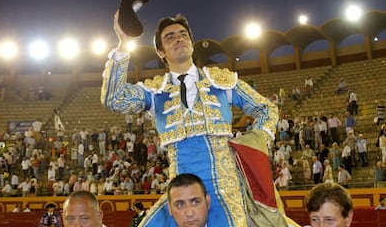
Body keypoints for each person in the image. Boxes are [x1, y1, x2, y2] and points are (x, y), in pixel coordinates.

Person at [101, 11, 297, 226]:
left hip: (225, 187)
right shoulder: (155, 90)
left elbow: (266, 108)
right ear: (160, 51)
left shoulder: (220, 80)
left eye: (183, 34)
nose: (179, 39)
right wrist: (123, 43)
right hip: (180, 190)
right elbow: (115, 99)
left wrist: (252, 144)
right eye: (170, 36)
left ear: (192, 44)